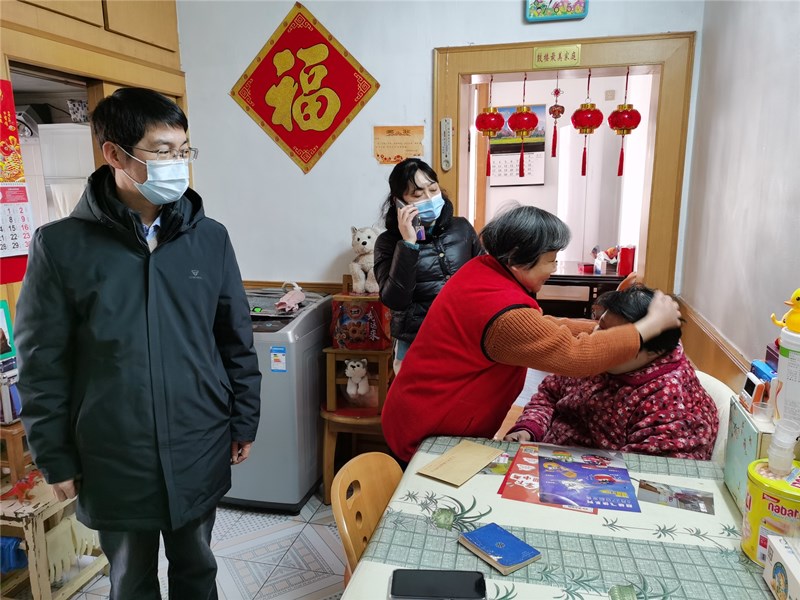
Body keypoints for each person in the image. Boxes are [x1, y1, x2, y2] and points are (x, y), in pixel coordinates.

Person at [15, 87, 261, 600]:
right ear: (114, 154)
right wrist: (53, 456)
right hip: (113, 451)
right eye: (162, 150)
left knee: (198, 568)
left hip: (198, 437)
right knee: (130, 580)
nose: (178, 163)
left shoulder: (209, 238)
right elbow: (42, 363)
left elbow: (234, 338)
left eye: (183, 150)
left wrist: (244, 418)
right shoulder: (61, 246)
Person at [380, 205, 682, 462]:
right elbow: (575, 356)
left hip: (420, 409)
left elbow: (539, 325)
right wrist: (647, 328)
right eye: (550, 259)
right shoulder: (504, 313)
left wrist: (601, 328)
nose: (554, 268)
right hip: (430, 430)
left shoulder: (483, 270)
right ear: (516, 257)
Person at [504, 284, 719, 460]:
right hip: (548, 454)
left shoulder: (668, 400)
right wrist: (530, 428)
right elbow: (550, 393)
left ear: (654, 351)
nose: (599, 339)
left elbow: (645, 474)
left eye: (617, 336)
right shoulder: (596, 356)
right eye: (600, 325)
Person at [373, 158, 482, 373]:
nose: (430, 198)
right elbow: (395, 300)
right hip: (415, 339)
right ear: (399, 201)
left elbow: (484, 277)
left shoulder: (461, 228)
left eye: (433, 189)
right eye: (417, 195)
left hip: (463, 335)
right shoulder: (387, 243)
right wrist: (408, 244)